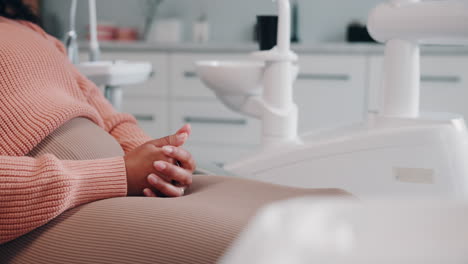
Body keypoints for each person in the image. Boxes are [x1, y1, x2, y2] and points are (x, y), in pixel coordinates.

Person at [0, 1, 350, 263]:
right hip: (44, 215)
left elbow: (105, 112)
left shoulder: (31, 33)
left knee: (340, 209)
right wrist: (119, 173)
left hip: (125, 187)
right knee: (297, 244)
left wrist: (160, 161)